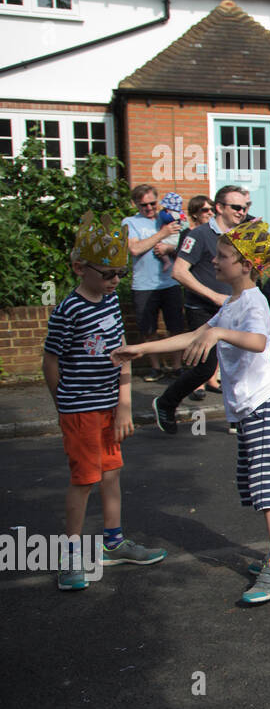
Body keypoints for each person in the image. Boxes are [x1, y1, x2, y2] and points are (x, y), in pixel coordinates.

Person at [114, 219, 270, 605]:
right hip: (247, 407)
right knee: (251, 483)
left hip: (265, 402)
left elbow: (257, 341)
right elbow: (194, 335)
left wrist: (217, 334)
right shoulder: (232, 302)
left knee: (267, 482)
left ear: (246, 265)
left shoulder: (253, 302)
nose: (215, 261)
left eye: (222, 256)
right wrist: (142, 350)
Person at [44, 212, 166, 590]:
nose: (116, 281)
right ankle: (70, 555)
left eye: (120, 273)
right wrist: (63, 404)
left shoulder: (111, 303)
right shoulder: (68, 310)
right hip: (79, 409)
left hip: (109, 407)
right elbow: (51, 361)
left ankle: (114, 543)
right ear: (81, 268)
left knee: (111, 476)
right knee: (84, 480)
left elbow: (122, 354)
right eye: (109, 273)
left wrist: (124, 405)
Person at [153, 185, 248, 432]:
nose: (242, 211)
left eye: (245, 207)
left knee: (236, 363)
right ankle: (166, 402)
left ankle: (236, 418)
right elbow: (178, 272)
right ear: (219, 207)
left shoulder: (240, 236)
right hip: (203, 309)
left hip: (233, 308)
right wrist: (213, 296)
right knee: (205, 367)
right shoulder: (198, 236)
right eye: (236, 207)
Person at [124, 184, 184, 382]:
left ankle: (176, 367)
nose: (149, 208)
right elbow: (134, 249)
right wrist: (161, 235)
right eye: (143, 205)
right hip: (143, 285)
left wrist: (169, 248)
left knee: (175, 327)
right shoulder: (130, 222)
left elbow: (183, 247)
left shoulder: (167, 216)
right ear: (135, 204)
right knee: (148, 330)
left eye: (152, 203)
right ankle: (156, 368)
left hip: (170, 282)